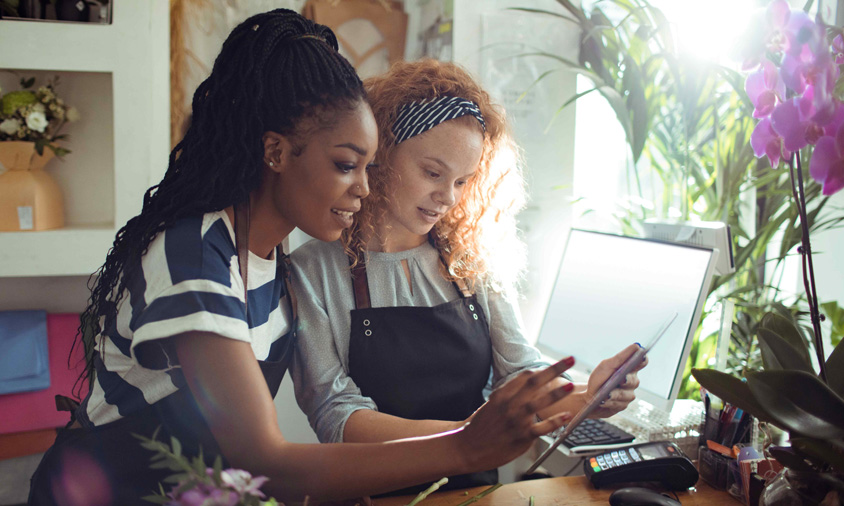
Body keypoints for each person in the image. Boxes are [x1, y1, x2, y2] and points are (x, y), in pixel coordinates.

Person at [28, 10, 577, 505]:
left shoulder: (269, 257)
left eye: (368, 166)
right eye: (346, 164)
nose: (365, 188)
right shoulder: (194, 255)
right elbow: (267, 463)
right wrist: (463, 447)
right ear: (275, 152)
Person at [290, 59, 647, 495]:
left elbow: (520, 375)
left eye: (463, 180)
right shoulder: (312, 268)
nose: (448, 197)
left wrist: (590, 396)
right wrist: (464, 438)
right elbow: (337, 415)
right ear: (381, 154)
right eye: (433, 173)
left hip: (474, 494)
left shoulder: (471, 259)